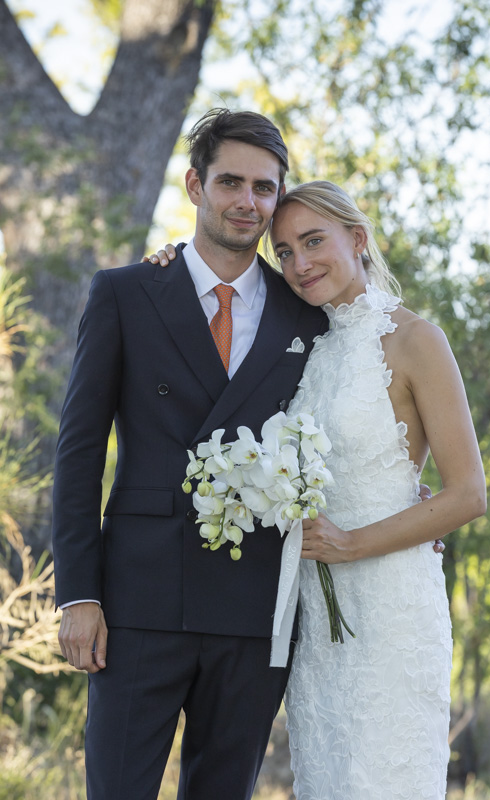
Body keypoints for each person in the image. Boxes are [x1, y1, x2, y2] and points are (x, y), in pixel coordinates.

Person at [152, 180, 486, 798]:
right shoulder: (300, 341)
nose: (300, 264)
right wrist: (168, 262)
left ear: (356, 239)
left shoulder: (417, 340)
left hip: (390, 605)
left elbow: (468, 494)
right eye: (284, 252)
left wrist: (353, 543)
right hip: (312, 608)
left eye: (313, 242)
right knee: (328, 776)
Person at [52, 109, 328, 800]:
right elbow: (80, 449)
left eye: (264, 188)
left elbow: (344, 434)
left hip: (252, 604)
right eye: (230, 182)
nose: (247, 202)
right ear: (194, 185)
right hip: (137, 604)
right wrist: (79, 594)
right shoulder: (123, 293)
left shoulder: (307, 317)